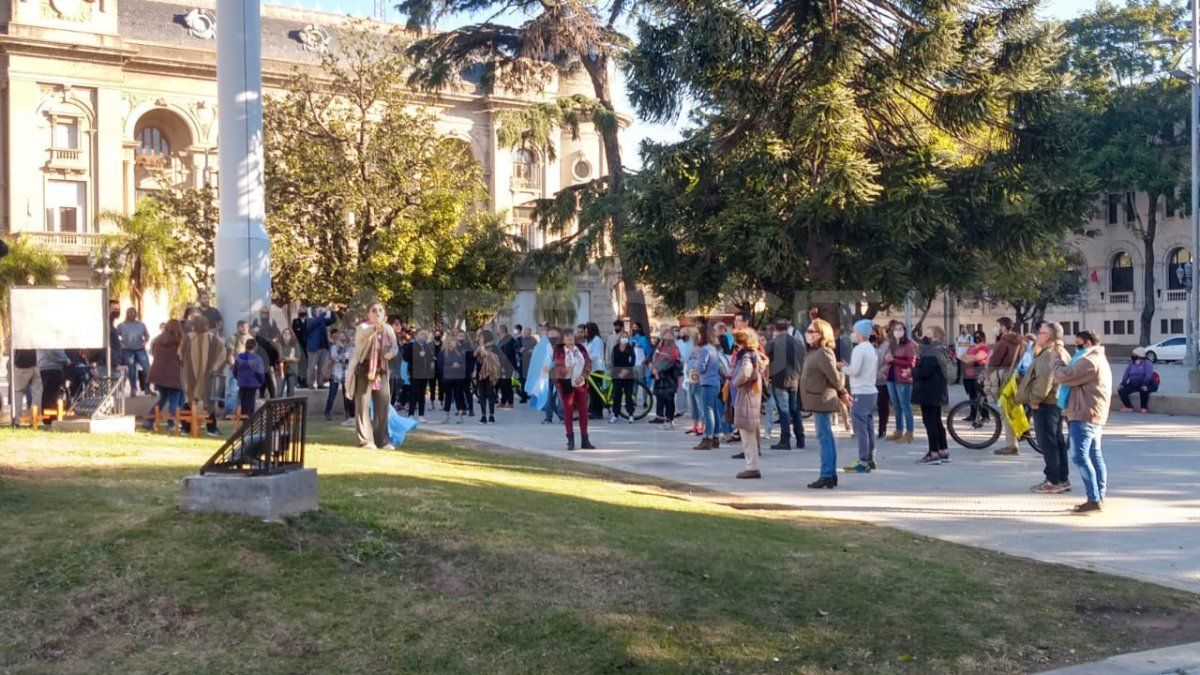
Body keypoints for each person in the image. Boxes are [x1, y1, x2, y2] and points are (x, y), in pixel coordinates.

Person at [1053, 330, 1112, 514]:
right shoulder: (1096, 358)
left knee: (1079, 456)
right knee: (1095, 455)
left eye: (1078, 344)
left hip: (1084, 414)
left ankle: (1094, 499)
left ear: (1087, 343)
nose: (1075, 347)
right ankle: (1098, 497)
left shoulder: (1089, 361)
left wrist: (1056, 361)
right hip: (1091, 413)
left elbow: (1065, 376)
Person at [1017, 321, 1070, 494]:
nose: (1038, 335)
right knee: (1057, 442)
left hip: (1046, 403)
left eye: (1041, 332)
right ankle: (1062, 478)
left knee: (1048, 443)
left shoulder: (1049, 354)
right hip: (1055, 402)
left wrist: (1034, 399)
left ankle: (1053, 480)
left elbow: (1044, 380)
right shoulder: (1060, 351)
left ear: (1050, 336)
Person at [802, 319, 852, 489]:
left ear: (821, 334)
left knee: (825, 437)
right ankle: (828, 474)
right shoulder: (814, 352)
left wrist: (843, 392)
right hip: (816, 398)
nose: (808, 334)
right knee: (824, 436)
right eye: (808, 331)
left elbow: (834, 377)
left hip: (822, 399)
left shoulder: (824, 352)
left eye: (811, 331)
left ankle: (827, 474)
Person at [345, 301, 397, 450]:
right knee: (363, 405)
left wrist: (391, 353)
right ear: (368, 314)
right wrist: (377, 326)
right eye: (374, 310)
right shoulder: (363, 327)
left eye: (380, 310)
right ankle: (365, 440)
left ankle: (382, 440)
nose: (377, 312)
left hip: (382, 369)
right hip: (365, 369)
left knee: (383, 405)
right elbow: (367, 334)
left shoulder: (388, 329)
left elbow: (394, 346)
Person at [180, 314, 227, 437]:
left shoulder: (188, 338)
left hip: (193, 375)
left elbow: (180, 355)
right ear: (206, 325)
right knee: (207, 402)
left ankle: (186, 428)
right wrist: (215, 368)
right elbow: (223, 355)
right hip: (206, 375)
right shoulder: (213, 338)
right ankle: (211, 428)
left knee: (189, 401)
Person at [726, 328, 764, 478]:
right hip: (751, 396)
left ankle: (752, 466)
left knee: (747, 434)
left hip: (746, 397)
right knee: (749, 433)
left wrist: (734, 382)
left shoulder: (746, 356)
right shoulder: (753, 355)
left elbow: (745, 373)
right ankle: (752, 465)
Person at [842, 319, 879, 472]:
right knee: (868, 426)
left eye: (854, 332)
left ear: (860, 333)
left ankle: (862, 461)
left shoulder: (859, 349)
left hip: (861, 391)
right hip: (870, 391)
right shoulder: (871, 348)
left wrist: (843, 368)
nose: (852, 334)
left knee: (860, 428)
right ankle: (870, 458)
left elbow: (854, 371)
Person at [985, 317, 1024, 456]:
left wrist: (985, 375)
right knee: (1012, 409)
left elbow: (994, 361)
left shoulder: (1003, 342)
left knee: (1005, 411)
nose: (996, 328)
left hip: (1003, 377)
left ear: (1003, 327)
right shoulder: (1020, 341)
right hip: (1015, 376)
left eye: (998, 326)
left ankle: (1011, 445)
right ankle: (1014, 440)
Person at [763, 318, 804, 450]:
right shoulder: (797, 343)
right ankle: (800, 438)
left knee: (784, 411)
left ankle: (785, 439)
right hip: (795, 379)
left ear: (775, 329)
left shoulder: (773, 343)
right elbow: (803, 359)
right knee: (795, 409)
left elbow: (765, 358)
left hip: (779, 380)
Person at [553, 328, 594, 450]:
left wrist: (583, 376)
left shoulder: (580, 349)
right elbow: (556, 370)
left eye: (571, 335)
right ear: (563, 339)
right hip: (566, 385)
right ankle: (570, 440)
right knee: (568, 412)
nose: (570, 338)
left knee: (583, 412)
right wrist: (565, 370)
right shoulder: (560, 352)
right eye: (567, 336)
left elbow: (588, 363)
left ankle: (585, 440)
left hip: (580, 384)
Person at [913, 335, 951, 465]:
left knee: (930, 423)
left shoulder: (930, 355)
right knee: (937, 422)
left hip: (929, 394)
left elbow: (923, 372)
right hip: (937, 393)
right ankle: (943, 450)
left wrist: (911, 371)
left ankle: (933, 453)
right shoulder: (939, 352)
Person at [145, 319, 185, 431]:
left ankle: (149, 420)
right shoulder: (179, 341)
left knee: (163, 399)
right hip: (173, 375)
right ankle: (172, 423)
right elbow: (182, 359)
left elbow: (154, 354)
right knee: (174, 400)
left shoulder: (158, 339)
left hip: (159, 374)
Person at [692, 327, 725, 449]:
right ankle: (716, 436)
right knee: (714, 410)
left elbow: (701, 367)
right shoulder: (714, 349)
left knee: (707, 411)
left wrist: (695, 363)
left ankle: (707, 438)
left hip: (707, 382)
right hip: (715, 382)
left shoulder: (705, 349)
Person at [884, 322, 916, 443]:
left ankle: (909, 432)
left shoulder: (908, 344)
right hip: (891, 377)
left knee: (905, 405)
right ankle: (898, 430)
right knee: (896, 406)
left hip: (903, 378)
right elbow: (888, 360)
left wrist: (894, 360)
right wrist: (888, 360)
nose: (898, 331)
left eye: (900, 329)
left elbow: (911, 363)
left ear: (904, 331)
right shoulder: (892, 344)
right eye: (895, 329)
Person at [649, 327, 681, 428]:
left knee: (669, 399)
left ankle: (670, 420)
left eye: (669, 335)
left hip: (668, 377)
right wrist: (653, 368)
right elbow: (655, 358)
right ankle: (661, 417)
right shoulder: (660, 346)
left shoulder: (674, 348)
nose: (667, 337)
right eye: (665, 335)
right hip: (659, 377)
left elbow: (671, 362)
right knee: (660, 397)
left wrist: (658, 370)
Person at [117, 308, 151, 396]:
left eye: (134, 313)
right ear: (126, 314)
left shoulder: (141, 324)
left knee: (147, 368)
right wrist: (121, 344)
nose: (132, 315)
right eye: (130, 313)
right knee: (132, 370)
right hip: (128, 350)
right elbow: (115, 337)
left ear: (136, 314)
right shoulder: (121, 325)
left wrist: (145, 341)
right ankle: (133, 389)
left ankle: (147, 388)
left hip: (140, 349)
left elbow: (147, 335)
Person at [404, 330, 435, 421]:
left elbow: (430, 357)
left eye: (425, 335)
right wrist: (417, 354)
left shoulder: (427, 347)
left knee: (422, 394)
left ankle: (421, 415)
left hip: (424, 374)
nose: (423, 336)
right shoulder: (411, 346)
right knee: (414, 393)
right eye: (422, 334)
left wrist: (431, 362)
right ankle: (411, 414)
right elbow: (405, 357)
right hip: (414, 373)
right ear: (417, 336)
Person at [437, 333, 469, 424]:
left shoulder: (458, 352)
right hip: (447, 378)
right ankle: (446, 417)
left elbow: (464, 365)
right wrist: (452, 366)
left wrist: (459, 366)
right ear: (449, 342)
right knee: (448, 397)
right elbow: (440, 367)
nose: (456, 342)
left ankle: (460, 417)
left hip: (458, 378)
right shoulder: (443, 353)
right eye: (454, 341)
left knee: (458, 396)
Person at [224, 321, 254, 417]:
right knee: (233, 391)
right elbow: (230, 353)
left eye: (246, 326)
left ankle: (243, 413)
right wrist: (234, 366)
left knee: (245, 392)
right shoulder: (233, 337)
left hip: (247, 370)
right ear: (238, 327)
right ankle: (229, 413)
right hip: (236, 367)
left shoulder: (251, 338)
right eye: (242, 327)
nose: (244, 328)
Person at [232, 338, 266, 419]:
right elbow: (260, 373)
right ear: (255, 347)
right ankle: (248, 424)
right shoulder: (257, 358)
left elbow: (234, 371)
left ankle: (244, 422)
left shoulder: (239, 357)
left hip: (242, 384)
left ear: (246, 347)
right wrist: (261, 382)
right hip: (252, 384)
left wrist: (239, 378)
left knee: (243, 404)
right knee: (250, 406)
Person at [961, 330, 990, 421]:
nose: (976, 338)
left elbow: (978, 357)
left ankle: (985, 416)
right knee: (971, 395)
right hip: (969, 373)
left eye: (978, 336)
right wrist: (970, 358)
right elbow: (962, 357)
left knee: (980, 394)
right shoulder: (971, 348)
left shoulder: (984, 348)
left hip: (979, 371)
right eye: (974, 336)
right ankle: (972, 415)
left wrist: (970, 358)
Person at [305, 305, 338, 389]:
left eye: (321, 310)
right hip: (313, 348)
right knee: (312, 367)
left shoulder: (322, 320)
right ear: (314, 312)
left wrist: (332, 311)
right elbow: (316, 322)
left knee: (322, 367)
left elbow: (333, 320)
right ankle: (310, 383)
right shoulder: (310, 320)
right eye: (318, 310)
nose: (321, 311)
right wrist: (323, 312)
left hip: (324, 347)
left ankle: (320, 383)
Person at [609, 329, 637, 424]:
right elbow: (613, 361)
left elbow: (632, 360)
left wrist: (626, 370)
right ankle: (615, 414)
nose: (624, 338)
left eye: (626, 337)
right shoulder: (615, 348)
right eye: (622, 336)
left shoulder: (630, 348)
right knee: (617, 395)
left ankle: (630, 414)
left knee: (628, 395)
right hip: (617, 374)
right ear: (619, 338)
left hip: (628, 373)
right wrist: (618, 372)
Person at [1118, 347, 1157, 413]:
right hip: (1134, 384)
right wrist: (1122, 383)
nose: (1132, 356)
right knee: (1121, 390)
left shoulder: (1147, 363)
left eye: (1134, 354)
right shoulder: (1131, 364)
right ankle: (1128, 407)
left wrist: (1145, 384)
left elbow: (1148, 375)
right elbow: (1126, 374)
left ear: (1139, 356)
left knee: (1144, 390)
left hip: (1147, 383)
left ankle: (1144, 407)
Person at [325, 329, 352, 421]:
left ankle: (348, 413)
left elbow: (350, 358)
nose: (342, 338)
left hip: (346, 373)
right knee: (332, 394)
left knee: (347, 394)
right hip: (336, 372)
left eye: (343, 336)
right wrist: (340, 349)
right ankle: (327, 412)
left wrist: (343, 357)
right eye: (340, 336)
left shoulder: (349, 347)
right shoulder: (334, 347)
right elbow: (334, 356)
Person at [36, 349, 70, 424]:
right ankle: (51, 419)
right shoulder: (51, 338)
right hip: (52, 366)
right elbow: (54, 351)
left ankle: (47, 418)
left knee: (47, 394)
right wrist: (66, 360)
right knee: (52, 395)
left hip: (44, 365)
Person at [475, 330, 501, 423]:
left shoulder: (494, 347)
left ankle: (491, 415)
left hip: (490, 374)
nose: (479, 338)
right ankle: (483, 415)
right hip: (480, 374)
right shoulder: (479, 347)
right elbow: (474, 356)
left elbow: (489, 355)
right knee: (481, 395)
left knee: (490, 394)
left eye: (481, 337)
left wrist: (482, 347)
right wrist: (479, 348)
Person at [582, 322, 607, 420]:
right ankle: (592, 411)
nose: (586, 333)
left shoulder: (597, 340)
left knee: (597, 392)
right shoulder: (588, 341)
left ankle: (598, 412)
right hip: (590, 369)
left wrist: (586, 359)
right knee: (591, 391)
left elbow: (596, 354)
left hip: (597, 369)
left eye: (587, 331)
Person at [872, 325, 890, 438]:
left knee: (882, 404)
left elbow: (888, 362)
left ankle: (882, 428)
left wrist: (880, 373)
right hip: (870, 379)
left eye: (874, 333)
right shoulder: (867, 345)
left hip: (882, 380)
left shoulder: (886, 345)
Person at [497, 325, 518, 409]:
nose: (497, 331)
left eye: (498, 330)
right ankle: (503, 401)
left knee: (507, 384)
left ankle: (510, 402)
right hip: (501, 365)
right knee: (502, 384)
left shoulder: (508, 340)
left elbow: (506, 355)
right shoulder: (502, 340)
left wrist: (502, 365)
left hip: (507, 365)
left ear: (502, 330)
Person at [279, 328, 301, 396]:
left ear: (291, 335)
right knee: (278, 393)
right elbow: (279, 357)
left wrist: (285, 358)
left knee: (290, 393)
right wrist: (290, 358)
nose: (287, 334)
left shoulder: (295, 345)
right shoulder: (279, 345)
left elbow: (298, 358)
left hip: (292, 371)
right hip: (281, 371)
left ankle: (290, 407)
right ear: (282, 335)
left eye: (289, 333)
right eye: (285, 333)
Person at [291, 308, 309, 387]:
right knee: (298, 364)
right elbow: (295, 330)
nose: (302, 313)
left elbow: (307, 331)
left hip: (307, 346)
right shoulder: (296, 321)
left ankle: (304, 380)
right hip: (298, 345)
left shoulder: (308, 321)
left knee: (306, 364)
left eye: (304, 312)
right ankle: (298, 381)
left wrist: (301, 329)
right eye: (301, 312)